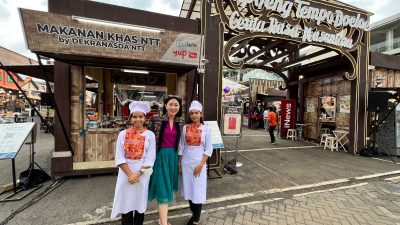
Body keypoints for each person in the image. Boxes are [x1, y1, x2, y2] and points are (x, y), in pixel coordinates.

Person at [111, 101, 156, 225]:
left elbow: (150, 159)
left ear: (145, 118)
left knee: (139, 204)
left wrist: (138, 174)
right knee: (126, 203)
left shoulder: (150, 135)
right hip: (125, 174)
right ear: (130, 119)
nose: (138, 119)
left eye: (140, 116)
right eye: (134, 116)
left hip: (142, 174)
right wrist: (130, 174)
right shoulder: (123, 134)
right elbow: (119, 157)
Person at [148, 96, 184, 225]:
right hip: (160, 157)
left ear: (179, 107)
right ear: (166, 106)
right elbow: (148, 138)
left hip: (173, 158)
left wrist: (180, 161)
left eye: (176, 105)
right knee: (163, 188)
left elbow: (182, 144)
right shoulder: (156, 120)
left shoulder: (181, 122)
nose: (173, 107)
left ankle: (161, 219)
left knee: (167, 188)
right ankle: (163, 222)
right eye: (171, 104)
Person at [178, 101, 213, 225]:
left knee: (197, 190)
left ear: (201, 114)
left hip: (199, 164)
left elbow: (209, 149)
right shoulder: (185, 128)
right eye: (192, 113)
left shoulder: (206, 130)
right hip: (186, 163)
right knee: (189, 188)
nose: (194, 115)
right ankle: (194, 213)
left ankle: (196, 219)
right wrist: (180, 164)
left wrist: (200, 165)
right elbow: (181, 146)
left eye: (196, 113)